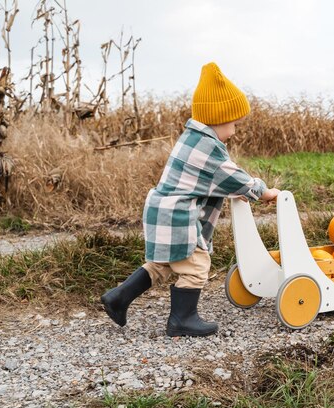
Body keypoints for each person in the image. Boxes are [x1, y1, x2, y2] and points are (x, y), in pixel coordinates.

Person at [101, 62, 280, 337]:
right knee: (196, 265)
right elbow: (232, 177)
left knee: (162, 265)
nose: (234, 130)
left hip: (162, 210)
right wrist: (263, 192)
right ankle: (182, 319)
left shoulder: (193, 138)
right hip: (177, 215)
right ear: (218, 119)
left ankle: (118, 298)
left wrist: (237, 191)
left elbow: (213, 182)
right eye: (233, 124)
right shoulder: (207, 146)